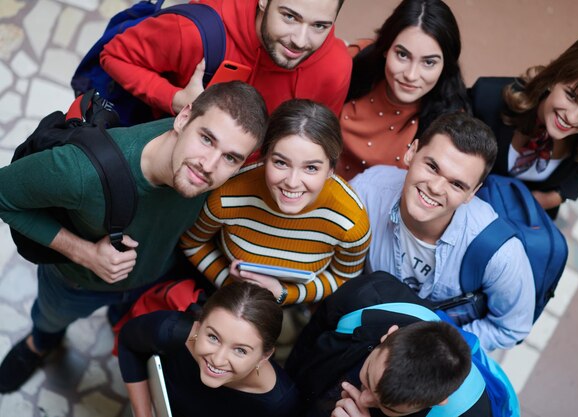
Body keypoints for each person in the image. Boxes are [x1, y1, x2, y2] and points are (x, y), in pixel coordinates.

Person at [0, 81, 269, 393]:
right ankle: (39, 343)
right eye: (206, 139)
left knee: (128, 321)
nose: (208, 166)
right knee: (50, 320)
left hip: (153, 275)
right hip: (79, 283)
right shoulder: (80, 171)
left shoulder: (210, 173)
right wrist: (85, 253)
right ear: (183, 119)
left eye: (231, 158)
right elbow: (4, 194)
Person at [350, 112, 535, 351]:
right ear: (411, 152)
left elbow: (512, 327)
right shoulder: (366, 192)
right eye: (432, 167)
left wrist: (433, 349)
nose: (435, 188)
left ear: (472, 193)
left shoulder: (501, 254)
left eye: (457, 184)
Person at [180, 99, 371, 305]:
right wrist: (231, 284)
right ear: (264, 157)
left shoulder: (350, 222)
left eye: (311, 168)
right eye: (280, 162)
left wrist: (283, 294)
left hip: (300, 308)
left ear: (331, 170)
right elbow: (192, 243)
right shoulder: (227, 195)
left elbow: (344, 278)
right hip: (223, 293)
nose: (292, 182)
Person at [285, 272, 493, 417]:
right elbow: (309, 343)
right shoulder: (368, 297)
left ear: (438, 401)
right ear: (388, 335)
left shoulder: (470, 413)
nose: (364, 400)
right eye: (367, 378)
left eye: (387, 407)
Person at [100, 0, 351, 119]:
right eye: (289, 17)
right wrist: (176, 99)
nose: (300, 40)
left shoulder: (335, 66)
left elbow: (315, 138)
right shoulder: (195, 31)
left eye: (319, 26)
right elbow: (114, 55)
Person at [470, 33, 578, 217]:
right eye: (571, 96)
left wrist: (555, 197)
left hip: (527, 221)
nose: (572, 118)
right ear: (554, 78)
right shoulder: (485, 99)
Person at [118, 281, 300, 417]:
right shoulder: (170, 330)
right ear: (198, 326)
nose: (218, 360)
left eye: (240, 350)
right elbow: (128, 340)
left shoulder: (279, 405)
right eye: (213, 337)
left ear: (264, 356)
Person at [336, 0, 471, 180]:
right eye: (402, 55)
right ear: (386, 48)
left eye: (429, 62)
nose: (411, 75)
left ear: (445, 65)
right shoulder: (354, 60)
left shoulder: (451, 121)